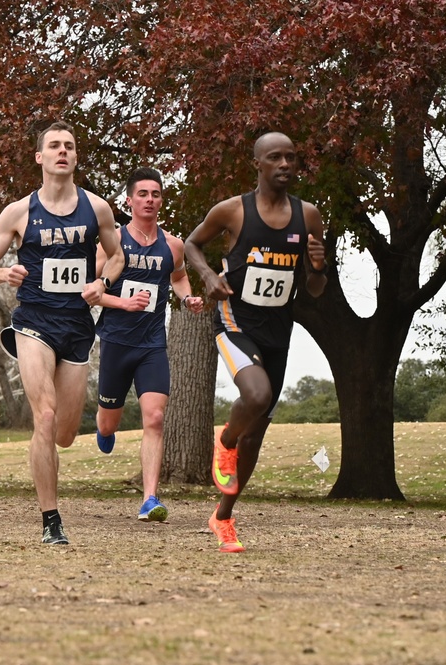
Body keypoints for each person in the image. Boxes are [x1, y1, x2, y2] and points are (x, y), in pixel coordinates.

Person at [0, 120, 124, 545]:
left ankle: (64, 450)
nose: (62, 152)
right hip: (33, 322)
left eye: (69, 146)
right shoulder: (19, 212)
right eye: (54, 146)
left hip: (77, 327)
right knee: (44, 415)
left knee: (64, 434)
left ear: (76, 158)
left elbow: (116, 258)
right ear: (39, 157)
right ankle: (51, 520)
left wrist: (104, 284)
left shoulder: (97, 209)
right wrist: (5, 273)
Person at [184, 132, 328, 552]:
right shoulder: (233, 211)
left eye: (292, 157)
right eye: (275, 157)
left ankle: (223, 517)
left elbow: (315, 289)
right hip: (235, 319)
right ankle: (224, 441)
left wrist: (317, 268)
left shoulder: (310, 216)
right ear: (258, 164)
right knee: (256, 394)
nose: (285, 164)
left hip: (278, 330)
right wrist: (209, 276)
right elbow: (192, 244)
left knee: (256, 437)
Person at [93, 167, 205, 522]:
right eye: (142, 194)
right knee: (109, 424)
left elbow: (179, 276)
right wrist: (123, 303)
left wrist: (186, 299)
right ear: (129, 200)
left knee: (155, 418)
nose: (150, 200)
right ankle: (103, 427)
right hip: (115, 342)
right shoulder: (110, 243)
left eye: (155, 194)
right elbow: (91, 294)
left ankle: (150, 499)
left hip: (152, 344)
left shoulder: (172, 245)